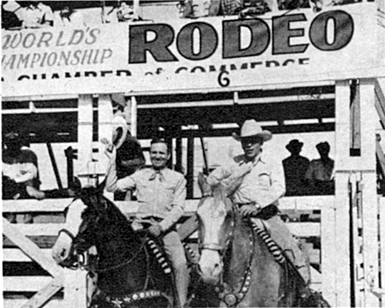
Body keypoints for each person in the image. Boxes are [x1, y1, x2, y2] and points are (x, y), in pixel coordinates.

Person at [206, 119, 311, 295]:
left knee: (289, 246)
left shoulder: (271, 161)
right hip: (239, 216)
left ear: (261, 142)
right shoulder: (234, 163)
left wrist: (256, 205)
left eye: (253, 141)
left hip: (266, 215)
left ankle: (303, 286)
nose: (248, 145)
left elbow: (279, 188)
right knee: (215, 246)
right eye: (245, 141)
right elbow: (210, 180)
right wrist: (231, 181)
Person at [105, 138, 188, 308]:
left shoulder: (178, 178)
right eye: (154, 152)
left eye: (161, 153)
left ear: (168, 155)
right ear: (150, 154)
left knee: (180, 264)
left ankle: (180, 304)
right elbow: (111, 187)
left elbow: (178, 208)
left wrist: (162, 226)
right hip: (139, 226)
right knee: (116, 254)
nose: (157, 156)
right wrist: (112, 160)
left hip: (165, 229)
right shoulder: (140, 175)